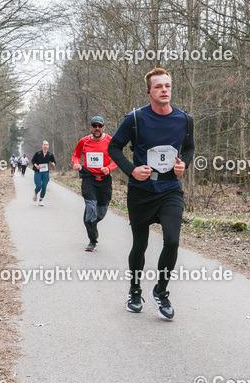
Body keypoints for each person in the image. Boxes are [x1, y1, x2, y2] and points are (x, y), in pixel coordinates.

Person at [108, 68, 194, 320]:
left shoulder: (184, 119)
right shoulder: (135, 119)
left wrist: (184, 164)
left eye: (167, 86)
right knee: (140, 244)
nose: (164, 90)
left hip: (170, 190)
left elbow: (188, 149)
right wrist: (132, 171)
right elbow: (114, 147)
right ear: (148, 92)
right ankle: (135, 291)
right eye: (158, 87)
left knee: (173, 241)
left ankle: (161, 292)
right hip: (141, 191)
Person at [72, 117, 118, 252]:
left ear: (103, 127)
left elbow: (117, 159)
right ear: (91, 127)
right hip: (89, 178)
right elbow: (76, 154)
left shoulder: (110, 141)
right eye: (94, 126)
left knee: (101, 212)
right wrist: (76, 163)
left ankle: (90, 224)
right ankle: (92, 240)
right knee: (91, 208)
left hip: (104, 181)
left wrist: (109, 168)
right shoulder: (84, 141)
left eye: (100, 126)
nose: (97, 128)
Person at [31, 141, 56, 206]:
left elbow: (53, 161)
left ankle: (41, 200)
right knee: (38, 187)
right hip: (38, 172)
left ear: (48, 146)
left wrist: (53, 163)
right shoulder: (38, 153)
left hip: (45, 172)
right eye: (44, 145)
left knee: (44, 186)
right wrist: (36, 165)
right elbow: (32, 161)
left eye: (47, 145)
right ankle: (36, 193)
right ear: (42, 146)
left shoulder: (50, 155)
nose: (45, 146)